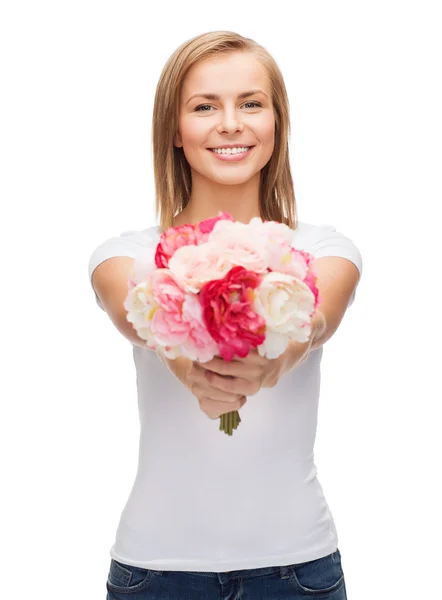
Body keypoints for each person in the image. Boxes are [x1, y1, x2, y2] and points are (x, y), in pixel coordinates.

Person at [88, 30, 362, 600]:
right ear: (174, 131)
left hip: (299, 572)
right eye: (204, 106)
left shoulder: (325, 248)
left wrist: (272, 363)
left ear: (276, 125)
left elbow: (316, 320)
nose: (230, 123)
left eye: (251, 103)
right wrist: (191, 370)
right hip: (154, 572)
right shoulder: (125, 255)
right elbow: (132, 313)